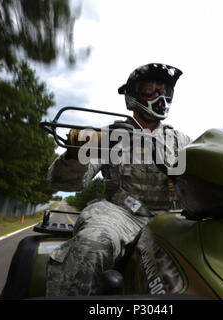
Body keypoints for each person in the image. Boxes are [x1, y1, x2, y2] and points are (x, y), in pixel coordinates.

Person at [46, 63, 191, 296]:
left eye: (164, 90)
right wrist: (76, 152)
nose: (160, 96)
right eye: (151, 89)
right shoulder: (109, 135)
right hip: (121, 214)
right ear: (134, 94)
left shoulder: (181, 141)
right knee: (92, 244)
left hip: (171, 219)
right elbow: (66, 184)